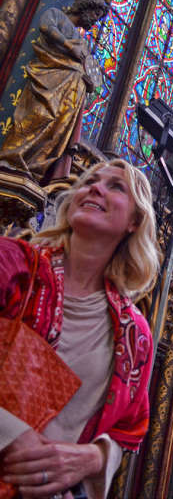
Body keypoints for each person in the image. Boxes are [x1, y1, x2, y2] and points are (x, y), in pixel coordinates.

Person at [0, 158, 160, 498]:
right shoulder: (14, 266)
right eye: (89, 182)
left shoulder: (135, 333)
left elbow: (130, 427)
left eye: (115, 186)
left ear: (135, 221)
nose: (94, 188)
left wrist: (94, 457)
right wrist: (12, 433)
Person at [0, 0, 107, 182]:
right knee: (39, 115)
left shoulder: (83, 42)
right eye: (95, 14)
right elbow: (45, 26)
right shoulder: (56, 14)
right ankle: (13, 159)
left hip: (70, 95)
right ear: (85, 7)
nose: (95, 21)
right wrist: (69, 47)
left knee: (56, 131)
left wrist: (89, 81)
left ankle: (33, 169)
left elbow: (89, 70)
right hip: (48, 80)